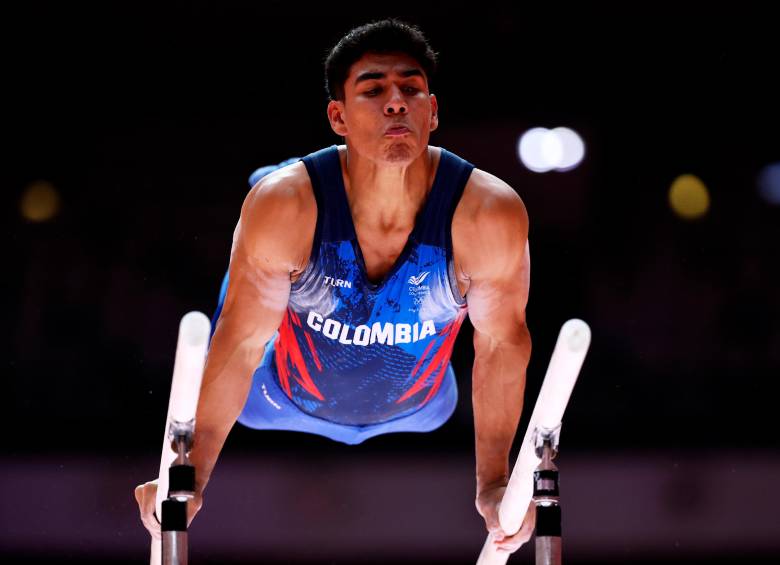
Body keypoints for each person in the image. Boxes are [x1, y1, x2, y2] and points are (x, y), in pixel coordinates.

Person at [135, 19, 534, 555]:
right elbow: (243, 345)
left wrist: (495, 485)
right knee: (268, 237)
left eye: (411, 89)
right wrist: (190, 478)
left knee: (286, 230)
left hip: (421, 406)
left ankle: (279, 220)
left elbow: (501, 345)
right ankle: (273, 199)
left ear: (432, 111)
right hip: (275, 395)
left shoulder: (488, 213)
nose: (396, 102)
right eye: (373, 90)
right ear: (338, 117)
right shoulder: (290, 209)